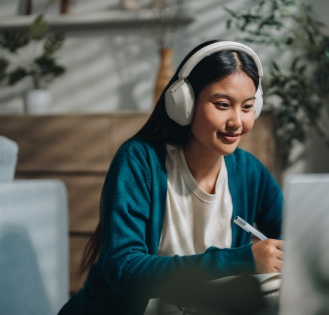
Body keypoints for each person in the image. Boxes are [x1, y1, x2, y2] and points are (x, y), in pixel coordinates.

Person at [58, 39, 284, 315]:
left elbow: (294, 238)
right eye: (223, 104)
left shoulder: (249, 172)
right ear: (184, 102)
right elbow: (125, 271)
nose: (237, 121)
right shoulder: (139, 160)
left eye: (247, 107)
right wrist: (241, 261)